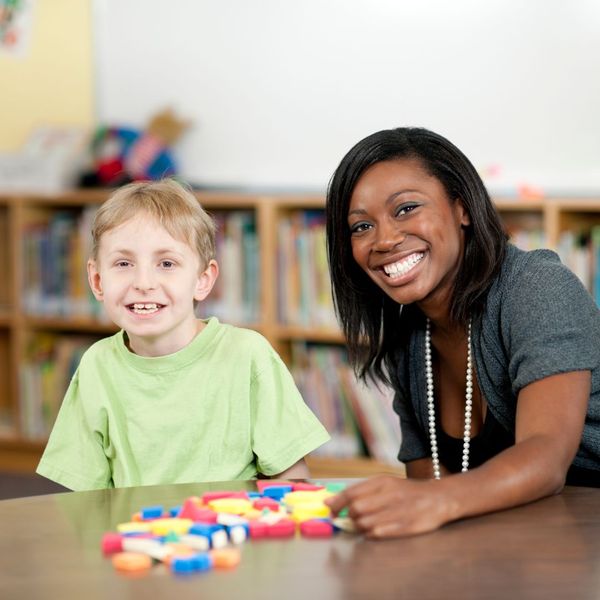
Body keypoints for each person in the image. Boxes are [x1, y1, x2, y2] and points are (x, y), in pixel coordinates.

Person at [323, 127, 600, 538]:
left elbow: (546, 460)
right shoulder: (409, 338)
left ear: (462, 208)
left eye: (405, 209)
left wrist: (432, 501)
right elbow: (426, 486)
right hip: (510, 547)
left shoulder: (536, 288)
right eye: (360, 227)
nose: (384, 239)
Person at [37, 179, 330, 491]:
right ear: (97, 280)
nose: (144, 282)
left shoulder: (248, 355)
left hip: (229, 534)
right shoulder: (96, 365)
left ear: (203, 280)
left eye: (166, 263)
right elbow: (87, 499)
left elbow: (291, 477)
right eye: (123, 263)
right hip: (138, 536)